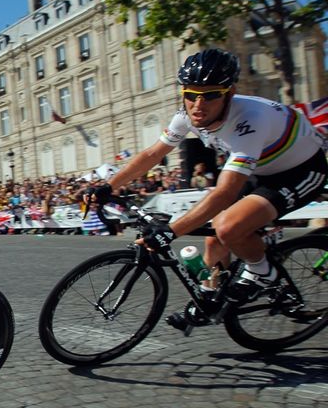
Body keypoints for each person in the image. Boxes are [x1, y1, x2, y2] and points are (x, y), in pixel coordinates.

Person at [85, 48, 327, 324]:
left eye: (211, 95)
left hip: (300, 170)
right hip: (261, 169)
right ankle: (210, 298)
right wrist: (109, 186)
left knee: (228, 226)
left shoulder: (249, 120)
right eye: (190, 95)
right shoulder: (187, 115)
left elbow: (225, 192)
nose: (198, 104)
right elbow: (153, 155)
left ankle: (264, 273)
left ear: (230, 93)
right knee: (216, 236)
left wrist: (171, 232)